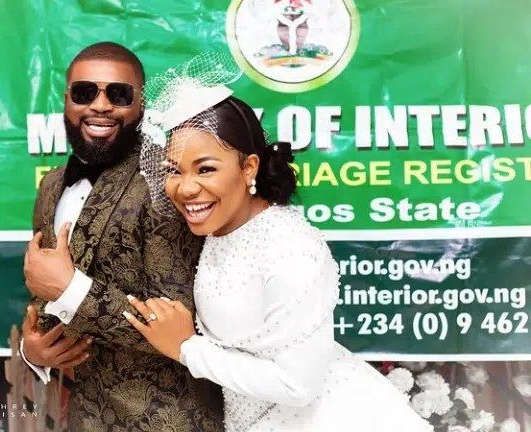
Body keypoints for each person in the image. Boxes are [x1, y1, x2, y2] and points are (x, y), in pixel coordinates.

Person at [124, 68, 434, 431]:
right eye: (174, 171)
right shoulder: (221, 228)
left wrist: (186, 348)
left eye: (205, 169)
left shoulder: (289, 248)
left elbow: (298, 385)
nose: (185, 188)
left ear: (248, 167)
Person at [19, 42, 224, 431]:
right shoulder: (51, 185)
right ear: (67, 100)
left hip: (171, 421)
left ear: (141, 105)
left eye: (118, 94)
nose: (100, 105)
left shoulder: (168, 181)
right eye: (85, 92)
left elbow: (185, 328)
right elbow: (45, 296)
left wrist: (70, 289)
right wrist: (33, 351)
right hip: (83, 419)